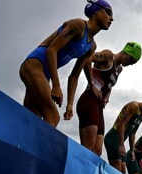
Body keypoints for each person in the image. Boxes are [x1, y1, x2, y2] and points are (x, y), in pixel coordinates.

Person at [19, 0, 113, 128]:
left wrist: (70, 104)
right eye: (108, 12)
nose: (111, 18)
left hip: (44, 74)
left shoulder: (91, 46)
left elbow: (74, 76)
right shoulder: (79, 25)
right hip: (34, 65)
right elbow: (52, 50)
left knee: (30, 120)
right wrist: (56, 85)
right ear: (96, 11)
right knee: (53, 116)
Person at [77, 42, 142, 155]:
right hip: (89, 100)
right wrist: (91, 84)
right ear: (126, 52)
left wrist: (107, 95)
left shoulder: (119, 69)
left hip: (99, 106)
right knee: (88, 148)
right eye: (131, 60)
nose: (131, 64)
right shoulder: (108, 56)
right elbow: (86, 58)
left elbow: (109, 83)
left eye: (134, 63)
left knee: (97, 151)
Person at [104, 94, 142, 173]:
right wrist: (121, 145)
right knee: (116, 171)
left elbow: (132, 134)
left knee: (123, 172)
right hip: (113, 139)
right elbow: (121, 125)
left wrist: (132, 151)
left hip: (120, 142)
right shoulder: (134, 106)